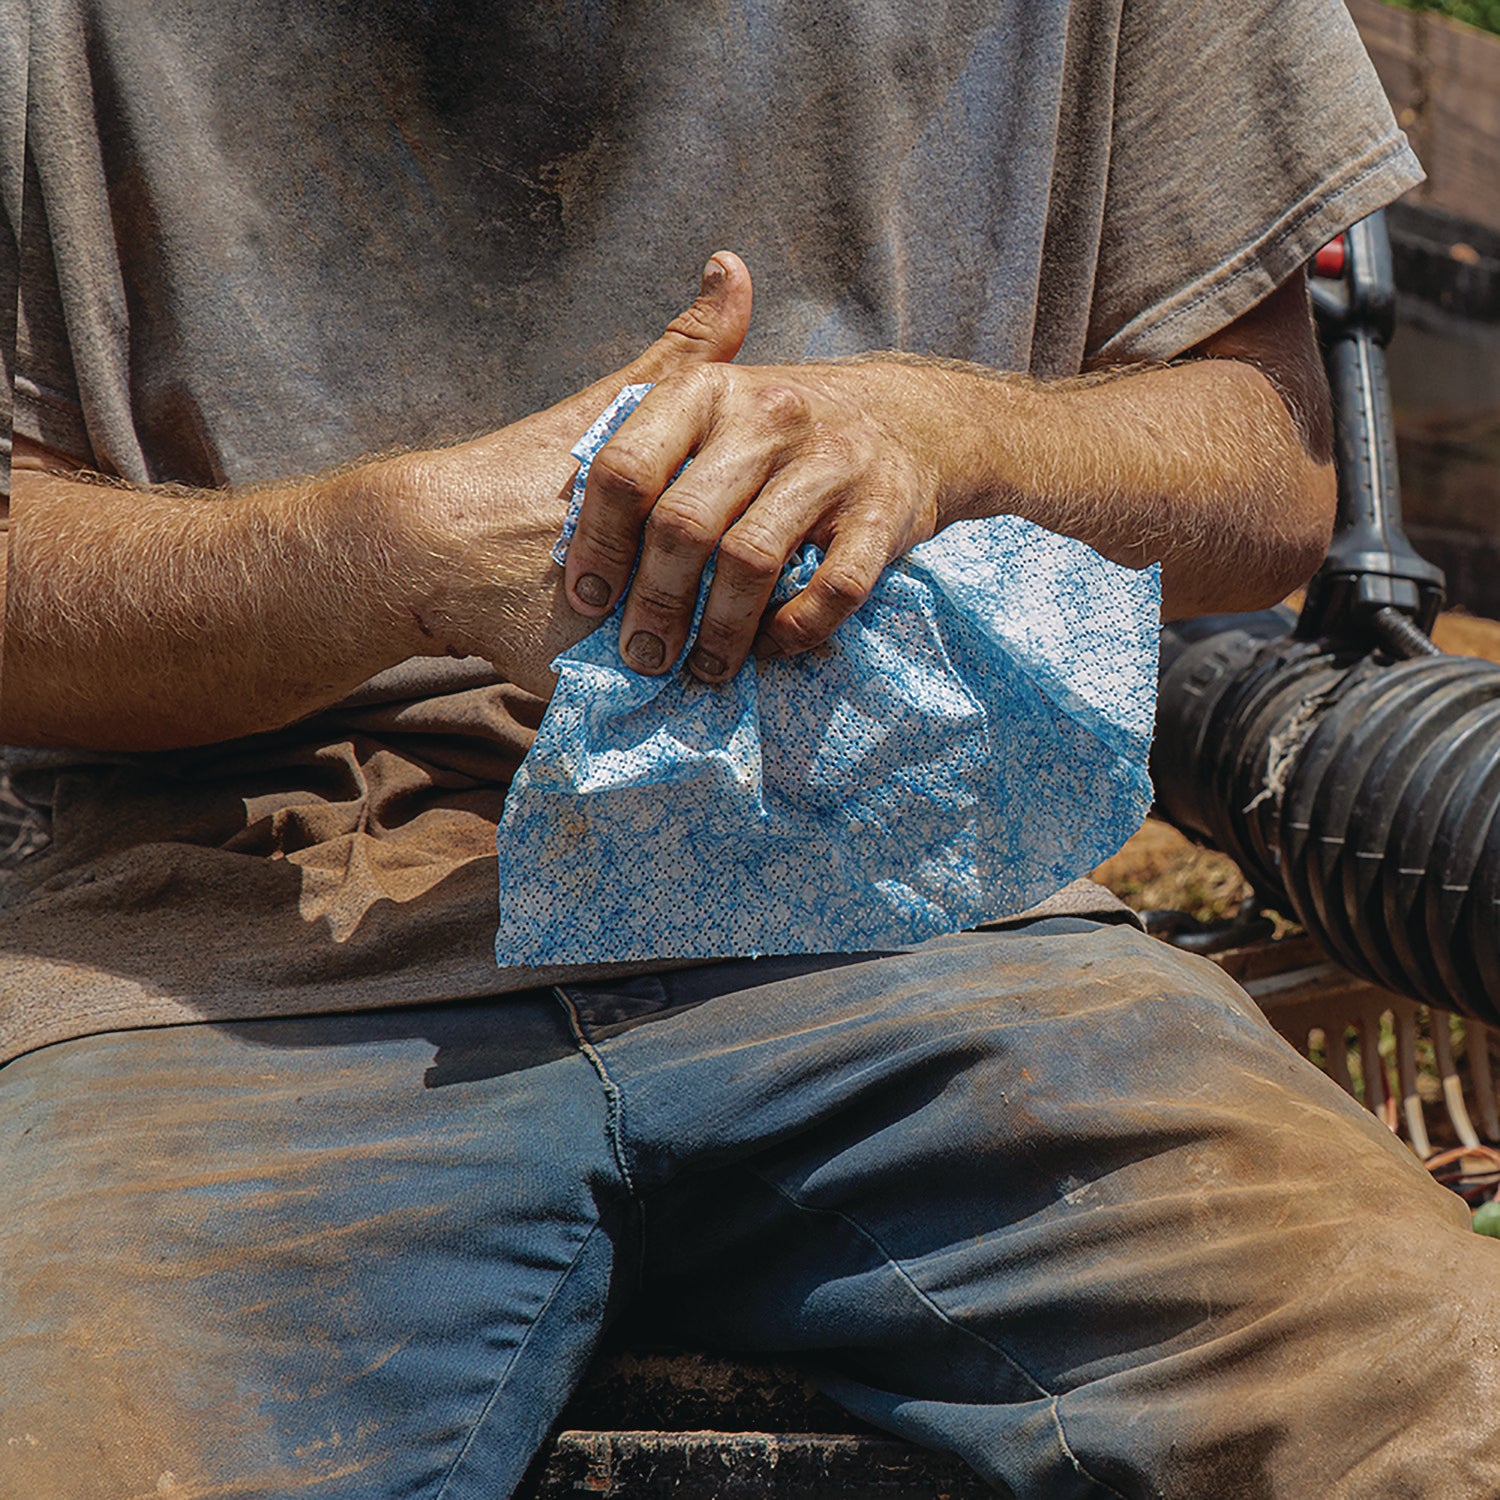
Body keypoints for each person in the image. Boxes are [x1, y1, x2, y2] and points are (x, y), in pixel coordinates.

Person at [4, 1, 1498, 1495]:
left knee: (1444, 1401)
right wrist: (374, 556)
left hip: (923, 916)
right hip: (218, 968)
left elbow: (1272, 466)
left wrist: (950, 435)